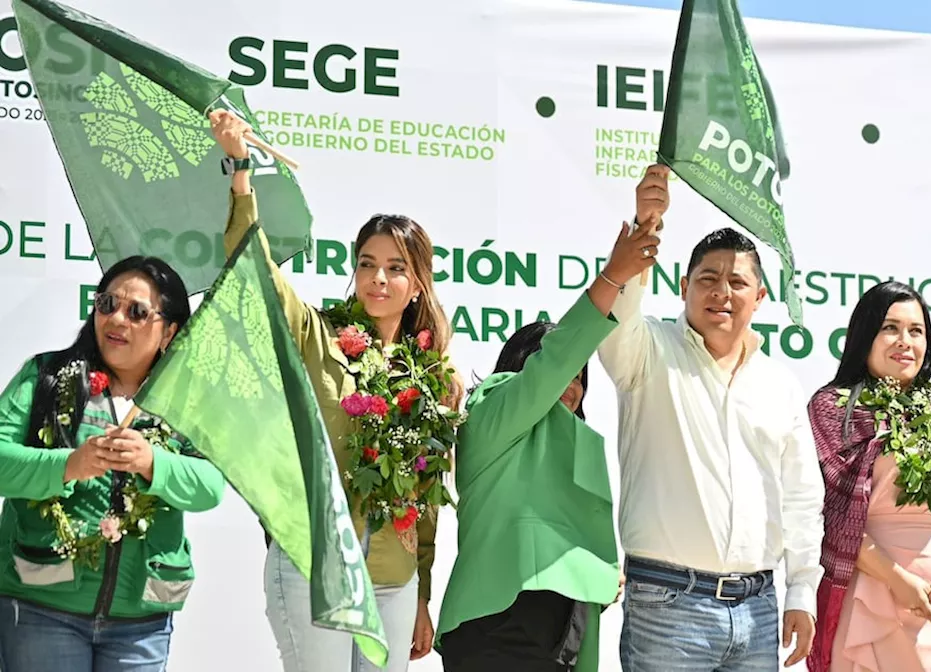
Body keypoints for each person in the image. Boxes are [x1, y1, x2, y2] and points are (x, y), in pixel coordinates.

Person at [211, 111, 461, 672]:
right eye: (367, 264)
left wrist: (423, 593)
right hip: (313, 568)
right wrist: (240, 169)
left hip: (394, 583)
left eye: (395, 268)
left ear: (417, 280)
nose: (378, 278)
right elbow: (255, 270)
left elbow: (424, 502)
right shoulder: (318, 334)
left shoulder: (434, 377)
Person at [598, 163, 825, 672]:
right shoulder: (648, 351)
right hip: (668, 605)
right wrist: (646, 225)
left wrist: (802, 591)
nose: (722, 291)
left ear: (760, 296)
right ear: (683, 286)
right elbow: (615, 320)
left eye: (737, 281)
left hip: (758, 608)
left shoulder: (779, 385)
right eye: (708, 278)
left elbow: (802, 497)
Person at [435, 220, 660, 671]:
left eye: (580, 379)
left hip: (564, 640)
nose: (571, 386)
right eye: (564, 373)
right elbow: (553, 363)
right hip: (496, 631)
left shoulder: (575, 445)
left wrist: (601, 574)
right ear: (517, 367)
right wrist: (614, 276)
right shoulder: (491, 412)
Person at [0, 256, 225, 672]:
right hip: (41, 608)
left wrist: (153, 462)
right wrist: (69, 465)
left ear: (169, 331)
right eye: (107, 304)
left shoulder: (185, 402)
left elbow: (210, 486)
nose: (117, 319)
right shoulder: (47, 378)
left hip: (141, 623)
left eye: (137, 311)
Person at [806, 281, 931, 672]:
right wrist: (897, 579)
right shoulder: (833, 410)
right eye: (890, 328)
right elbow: (831, 518)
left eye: (916, 331)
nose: (905, 341)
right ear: (865, 335)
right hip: (867, 590)